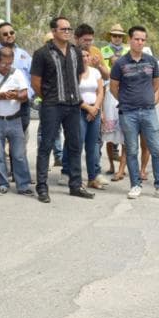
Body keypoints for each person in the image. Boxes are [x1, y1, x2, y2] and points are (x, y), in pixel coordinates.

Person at [30, 17, 94, 203]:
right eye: (63, 28)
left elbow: (79, 75)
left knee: (75, 145)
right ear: (54, 31)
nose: (67, 31)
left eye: (69, 28)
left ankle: (75, 185)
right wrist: (51, 96)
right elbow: (36, 82)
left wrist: (70, 93)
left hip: (73, 105)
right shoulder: (42, 53)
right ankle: (42, 187)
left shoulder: (75, 52)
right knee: (46, 146)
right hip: (52, 105)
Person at [109, 26, 159, 201]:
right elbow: (113, 88)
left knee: (157, 150)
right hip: (128, 113)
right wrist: (126, 100)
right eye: (137, 39)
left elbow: (155, 84)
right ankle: (135, 185)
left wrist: (150, 98)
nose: (140, 42)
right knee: (131, 150)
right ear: (130, 40)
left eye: (143, 39)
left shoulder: (151, 61)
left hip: (148, 112)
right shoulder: (120, 63)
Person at [0, 46, 32, 195]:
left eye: (10, 63)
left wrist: (16, 95)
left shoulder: (16, 73)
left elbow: (25, 94)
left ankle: (23, 185)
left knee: (19, 154)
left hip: (15, 119)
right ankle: (2, 183)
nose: (7, 67)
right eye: (4, 64)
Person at [76, 47, 106, 190]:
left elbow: (100, 92)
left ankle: (92, 178)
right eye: (82, 55)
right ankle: (76, 178)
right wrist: (88, 108)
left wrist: (95, 108)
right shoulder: (73, 73)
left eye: (87, 55)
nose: (85, 58)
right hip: (79, 111)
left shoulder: (95, 72)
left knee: (92, 146)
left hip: (95, 110)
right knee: (78, 144)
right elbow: (73, 94)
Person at [101, 24, 128, 175]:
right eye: (114, 35)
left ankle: (121, 169)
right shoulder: (103, 51)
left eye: (119, 36)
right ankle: (111, 165)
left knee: (125, 136)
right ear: (110, 36)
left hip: (124, 91)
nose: (117, 38)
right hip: (107, 91)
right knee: (109, 135)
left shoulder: (128, 51)